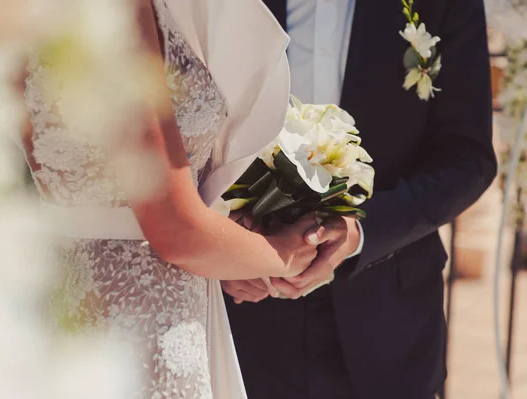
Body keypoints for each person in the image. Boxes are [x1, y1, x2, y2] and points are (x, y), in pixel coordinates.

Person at [18, 0, 312, 397]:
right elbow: (176, 229)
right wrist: (285, 255)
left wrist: (230, 255)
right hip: (144, 330)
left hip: (70, 315)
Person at [223, 0, 497, 398]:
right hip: (242, 312)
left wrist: (361, 233)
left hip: (388, 319)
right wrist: (223, 240)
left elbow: (468, 159)